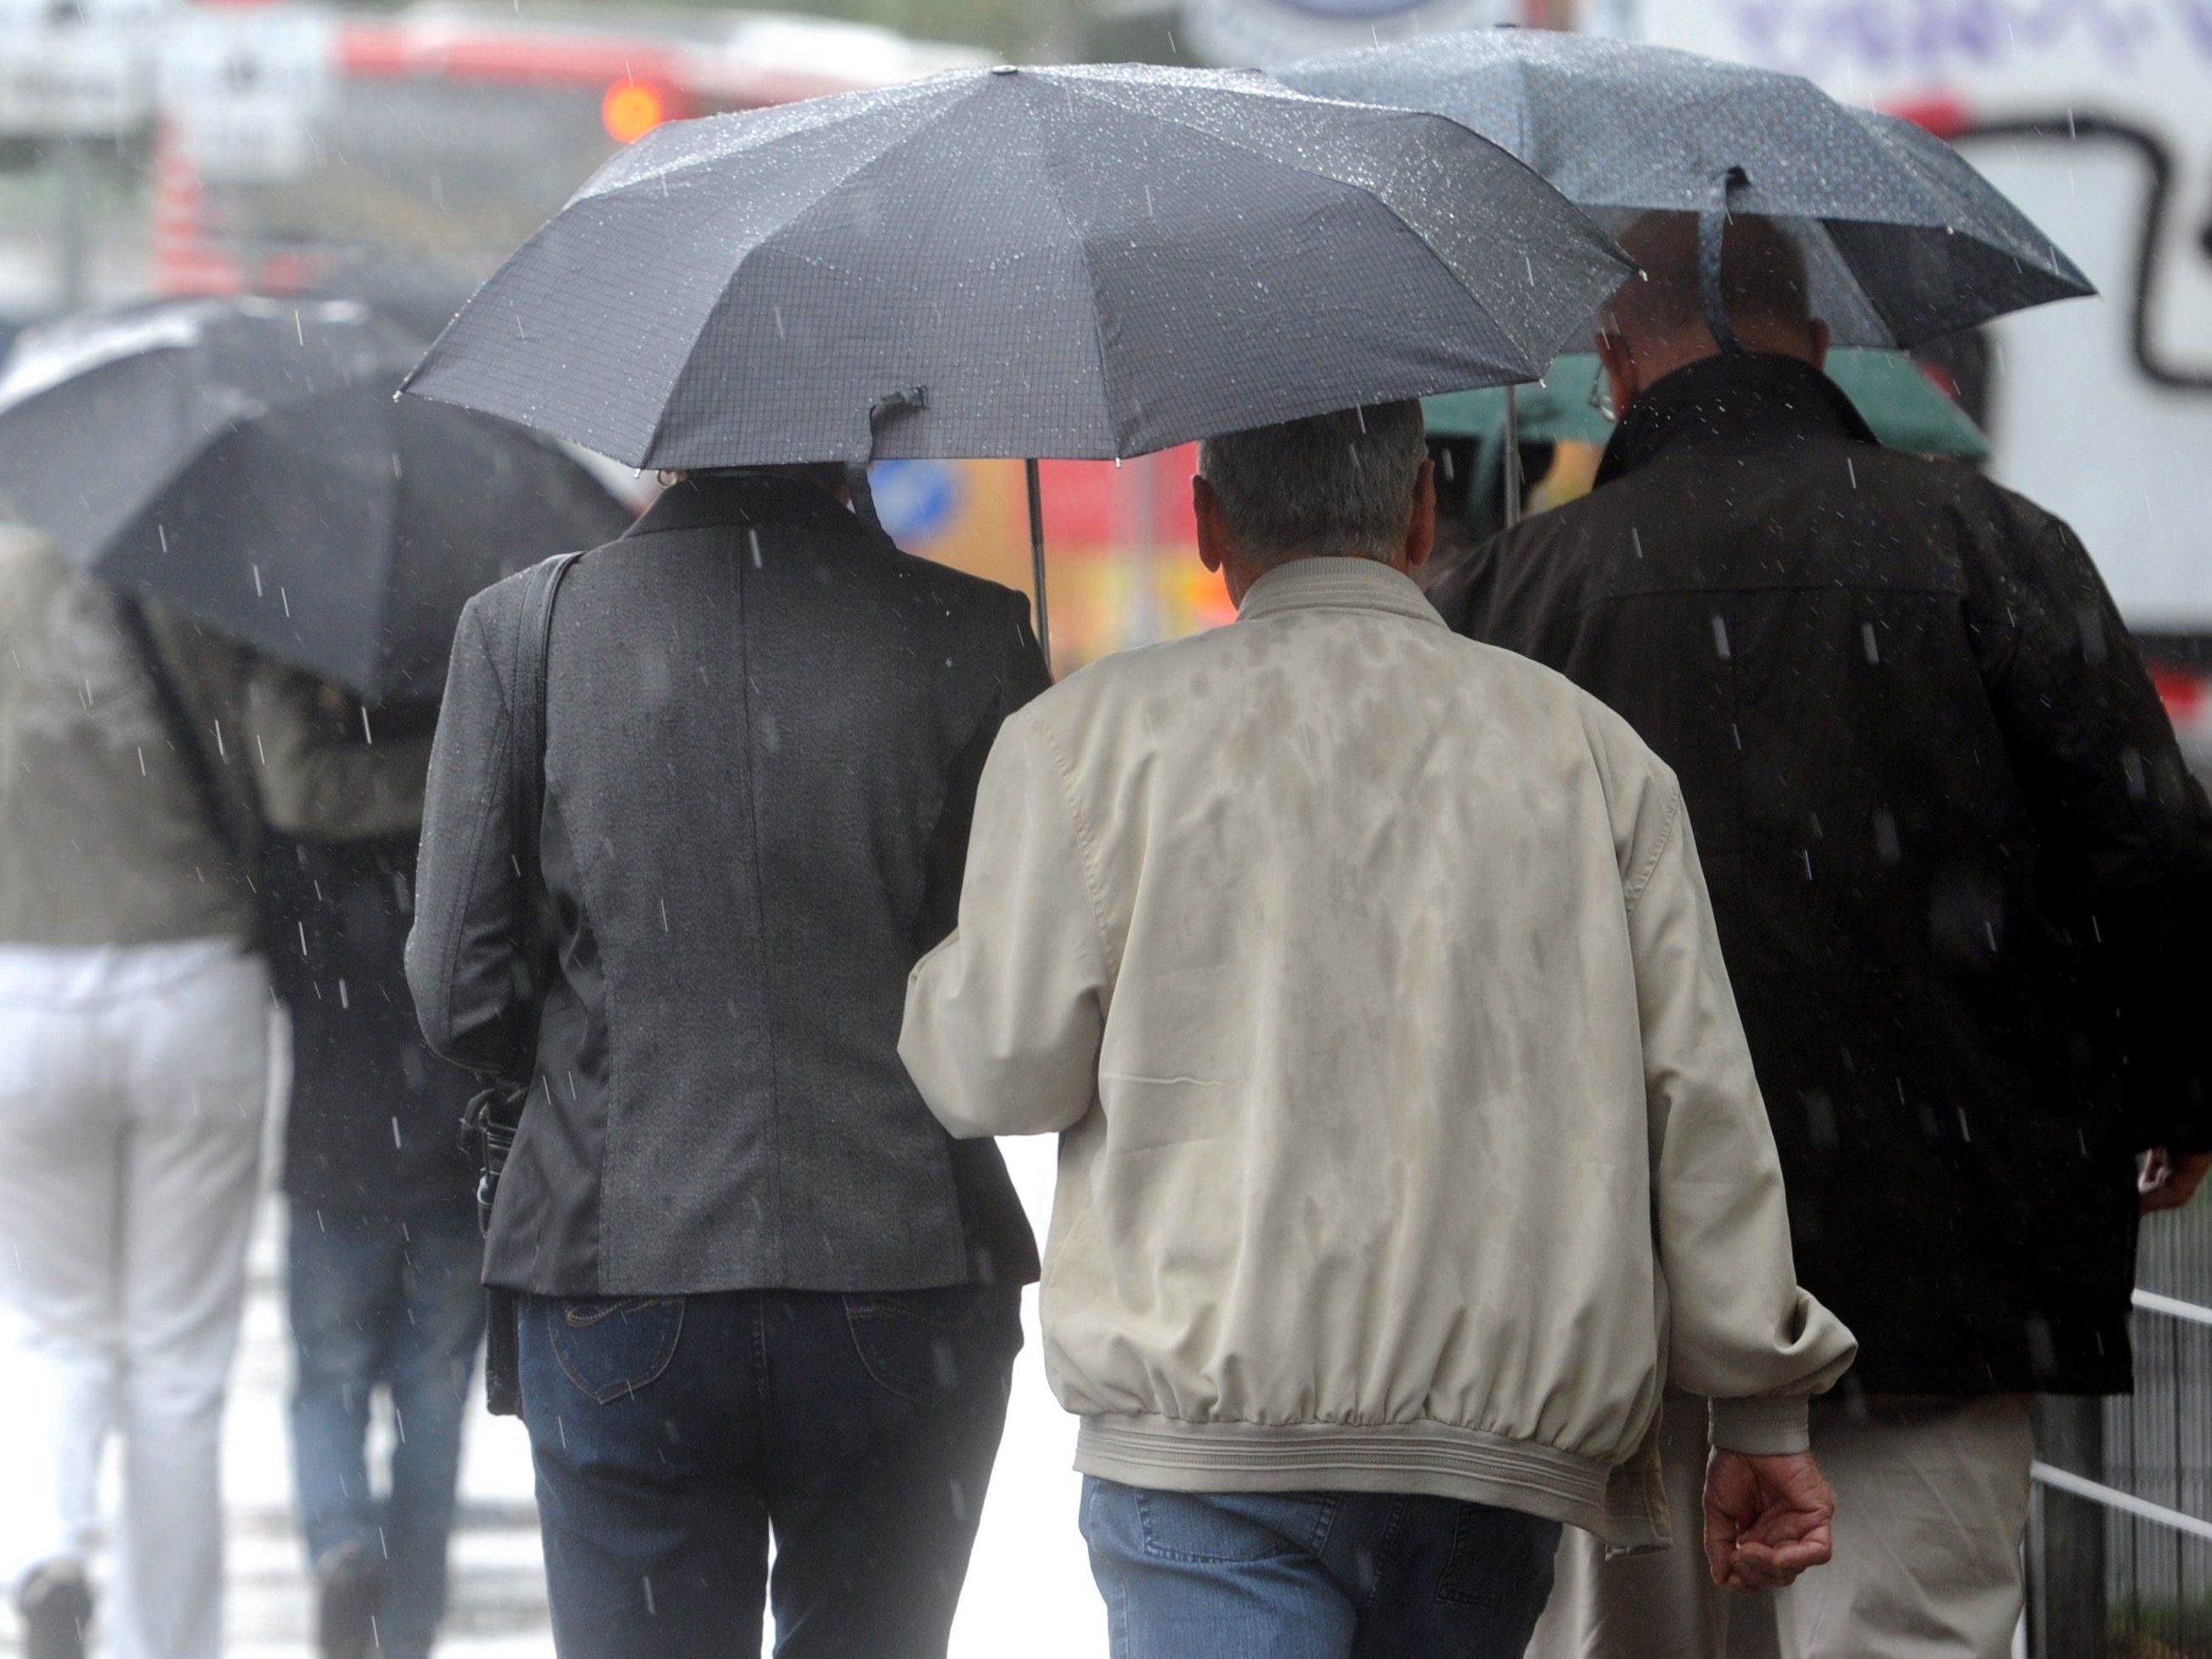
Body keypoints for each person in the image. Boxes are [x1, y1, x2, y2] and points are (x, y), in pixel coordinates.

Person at [900, 403, 1859, 1659]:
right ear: (1418, 511)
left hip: (1206, 1438)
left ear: (1205, 521)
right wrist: (1763, 1410)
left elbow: (1000, 1071)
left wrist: (952, 960)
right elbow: (1699, 1101)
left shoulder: (1087, 740)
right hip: (1489, 1448)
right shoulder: (1592, 755)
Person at [1434, 212, 2212, 1659]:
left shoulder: (1514, 592)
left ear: (1610, 363)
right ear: (1822, 334)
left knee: (1617, 1642)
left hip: (1606, 1258)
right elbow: (2144, 844)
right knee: (1906, 1636)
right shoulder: (1995, 545)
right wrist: (2169, 1090)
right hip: (1935, 1253)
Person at [406, 466, 1049, 1659]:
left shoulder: (524, 634)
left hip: (616, 1263)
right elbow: (1014, 978)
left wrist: (598, 1037)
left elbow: (459, 992)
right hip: (902, 1261)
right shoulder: (969, 630)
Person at [0, 526, 432, 1659]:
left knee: (56, 1328)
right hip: (192, 984)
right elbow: (300, 788)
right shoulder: (216, 580)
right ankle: (167, 1641)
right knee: (179, 1357)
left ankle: (47, 1548)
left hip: (26, 983)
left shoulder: (2, 575)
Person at [265, 687, 483, 1659]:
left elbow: (275, 958)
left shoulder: (310, 816)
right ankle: (409, 1629)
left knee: (327, 1379)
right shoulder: (474, 815)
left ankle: (342, 1545)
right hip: (453, 1148)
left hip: (333, 1150)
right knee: (433, 1398)